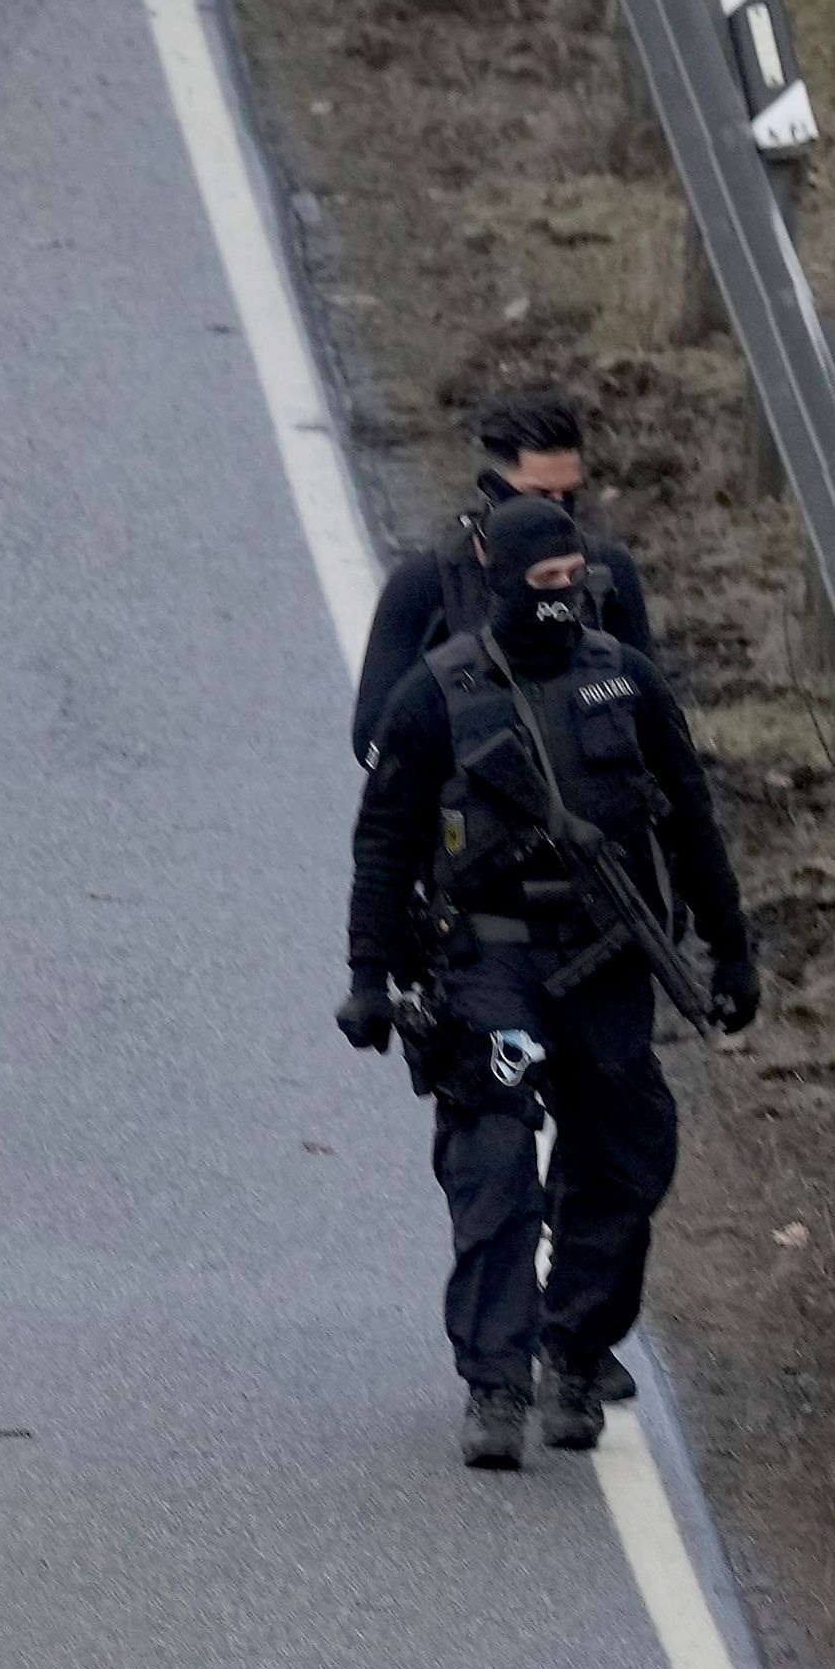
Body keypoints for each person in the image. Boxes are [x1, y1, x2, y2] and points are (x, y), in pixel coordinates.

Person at [340, 498, 758, 1470]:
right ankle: (495, 1380)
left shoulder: (627, 683)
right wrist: (367, 972)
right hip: (490, 967)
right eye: (546, 584)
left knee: (625, 1156)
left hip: (608, 960)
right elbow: (384, 840)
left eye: (577, 581)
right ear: (504, 583)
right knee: (492, 1155)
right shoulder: (435, 696)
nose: (564, 599)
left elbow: (690, 816)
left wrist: (731, 945)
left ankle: (573, 1352)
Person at [348, 391, 655, 760]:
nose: (558, 512)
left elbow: (652, 713)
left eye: (568, 495)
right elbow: (373, 738)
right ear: (494, 488)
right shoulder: (424, 584)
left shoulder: (609, 572)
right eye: (539, 495)